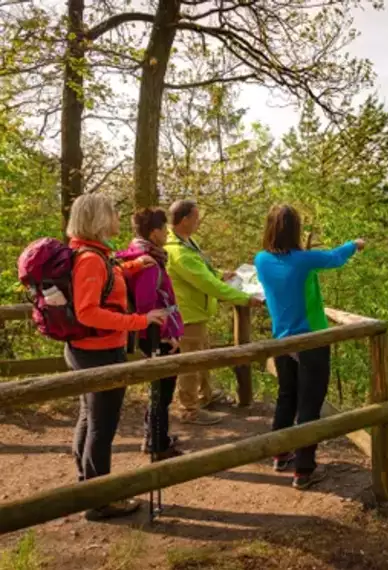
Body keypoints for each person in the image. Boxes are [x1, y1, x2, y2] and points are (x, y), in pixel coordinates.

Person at [65, 194, 167, 521]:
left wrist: (135, 265)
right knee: (101, 426)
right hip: (99, 353)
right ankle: (100, 500)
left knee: (89, 416)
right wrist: (139, 321)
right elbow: (87, 312)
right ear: (98, 219)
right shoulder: (91, 258)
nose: (117, 218)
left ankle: (88, 485)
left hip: (88, 352)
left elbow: (108, 277)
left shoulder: (92, 253)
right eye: (112, 213)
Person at [255, 204, 365, 490]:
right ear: (295, 230)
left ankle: (280, 454)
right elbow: (335, 257)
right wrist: (354, 244)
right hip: (312, 340)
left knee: (286, 396)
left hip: (282, 339)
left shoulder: (261, 260)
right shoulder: (303, 260)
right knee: (309, 404)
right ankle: (304, 469)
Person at [165, 199, 260, 425]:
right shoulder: (179, 253)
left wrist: (219, 273)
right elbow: (207, 284)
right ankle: (189, 409)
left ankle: (203, 396)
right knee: (190, 363)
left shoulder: (186, 242)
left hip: (197, 313)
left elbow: (204, 271)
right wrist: (244, 299)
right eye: (196, 218)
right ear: (185, 219)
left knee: (202, 357)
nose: (199, 222)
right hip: (188, 316)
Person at [117, 208, 184, 460]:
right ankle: (157, 445)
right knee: (162, 391)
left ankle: (156, 437)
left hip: (153, 333)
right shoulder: (148, 262)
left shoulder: (138, 254)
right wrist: (168, 334)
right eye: (165, 229)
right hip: (157, 335)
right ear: (154, 232)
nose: (168, 233)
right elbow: (148, 306)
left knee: (159, 389)